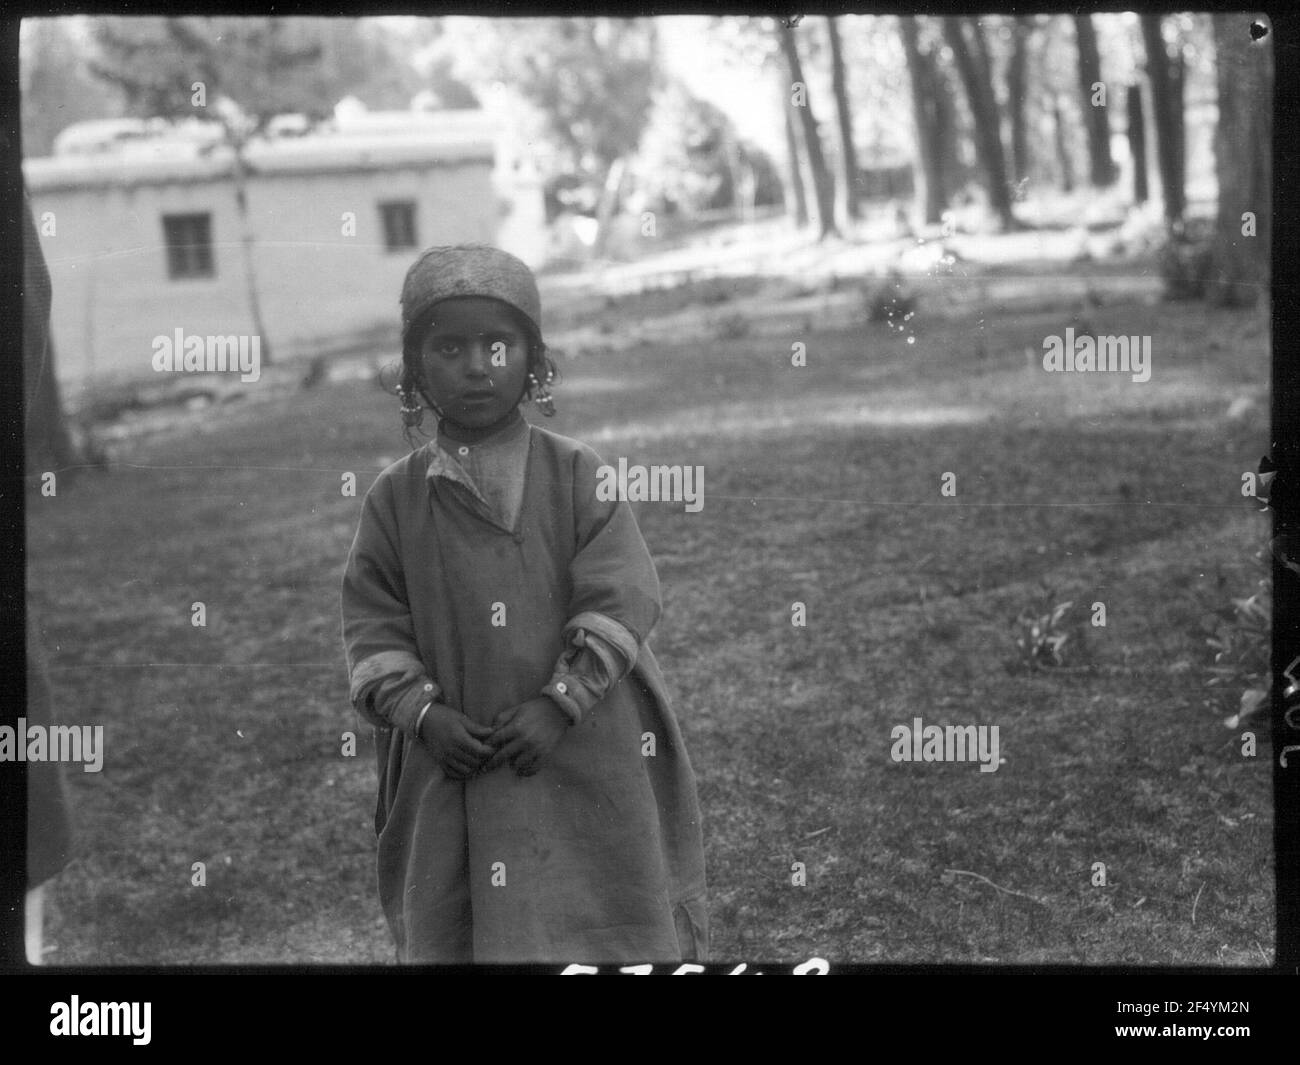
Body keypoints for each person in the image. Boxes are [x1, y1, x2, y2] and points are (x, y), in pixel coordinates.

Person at [341, 244, 708, 964]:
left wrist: (560, 700)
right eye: (449, 347)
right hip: (454, 755)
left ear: (533, 362)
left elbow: (623, 590)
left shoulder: (577, 473)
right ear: (416, 371)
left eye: (498, 344)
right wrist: (422, 713)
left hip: (585, 738)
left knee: (603, 897)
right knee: (468, 916)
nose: (477, 365)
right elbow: (372, 619)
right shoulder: (394, 498)